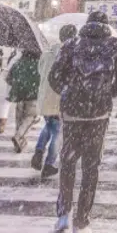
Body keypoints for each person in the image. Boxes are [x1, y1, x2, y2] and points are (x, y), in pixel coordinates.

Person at [48, 9, 117, 233]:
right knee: (91, 168)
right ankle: (81, 223)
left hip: (72, 112)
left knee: (67, 162)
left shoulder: (70, 44)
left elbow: (54, 77)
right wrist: (106, 94)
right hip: (98, 115)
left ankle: (63, 214)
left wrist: (69, 92)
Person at [32, 24, 77, 178]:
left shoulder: (47, 52)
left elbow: (40, 71)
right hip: (58, 97)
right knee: (58, 132)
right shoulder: (70, 54)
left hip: (44, 96)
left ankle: (39, 151)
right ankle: (49, 164)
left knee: (50, 125)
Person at [6, 49, 42, 152]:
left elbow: (8, 79)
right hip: (33, 95)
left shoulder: (18, 63)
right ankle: (19, 136)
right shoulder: (39, 65)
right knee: (31, 117)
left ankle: (19, 143)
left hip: (18, 95)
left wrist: (18, 83)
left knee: (19, 118)